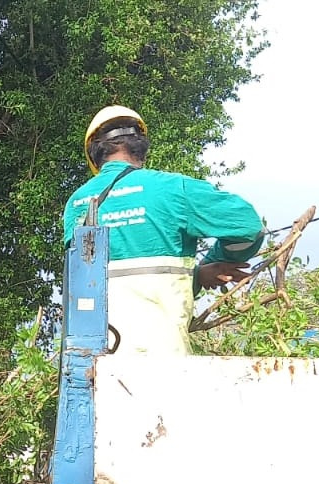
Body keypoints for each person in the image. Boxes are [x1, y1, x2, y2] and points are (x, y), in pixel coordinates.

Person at [63, 105, 265, 355]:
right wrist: (213, 264)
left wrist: (199, 275)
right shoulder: (173, 189)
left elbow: (84, 282)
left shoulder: (77, 203)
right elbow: (248, 227)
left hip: (91, 363)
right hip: (164, 359)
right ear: (141, 148)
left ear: (94, 155)